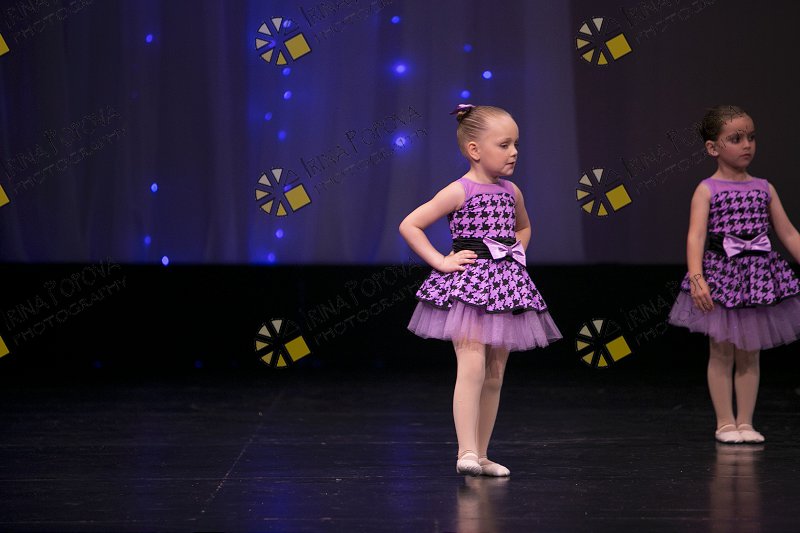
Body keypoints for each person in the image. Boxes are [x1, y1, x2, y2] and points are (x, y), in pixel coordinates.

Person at [398, 104, 562, 476]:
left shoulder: (511, 191)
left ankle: (483, 455)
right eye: (504, 145)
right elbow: (410, 224)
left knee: (494, 374)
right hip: (470, 289)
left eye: (515, 144)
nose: (514, 152)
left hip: (503, 289)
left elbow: (523, 227)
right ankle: (466, 452)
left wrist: (514, 252)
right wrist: (441, 261)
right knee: (471, 367)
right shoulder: (460, 190)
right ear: (474, 149)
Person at [668, 105, 800, 444]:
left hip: (758, 279)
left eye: (751, 138)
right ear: (713, 147)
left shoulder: (764, 188)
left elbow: (788, 233)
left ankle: (746, 422)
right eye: (736, 139)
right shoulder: (707, 189)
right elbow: (696, 236)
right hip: (723, 277)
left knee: (750, 352)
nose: (747, 145)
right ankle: (725, 422)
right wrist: (697, 277)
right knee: (722, 350)